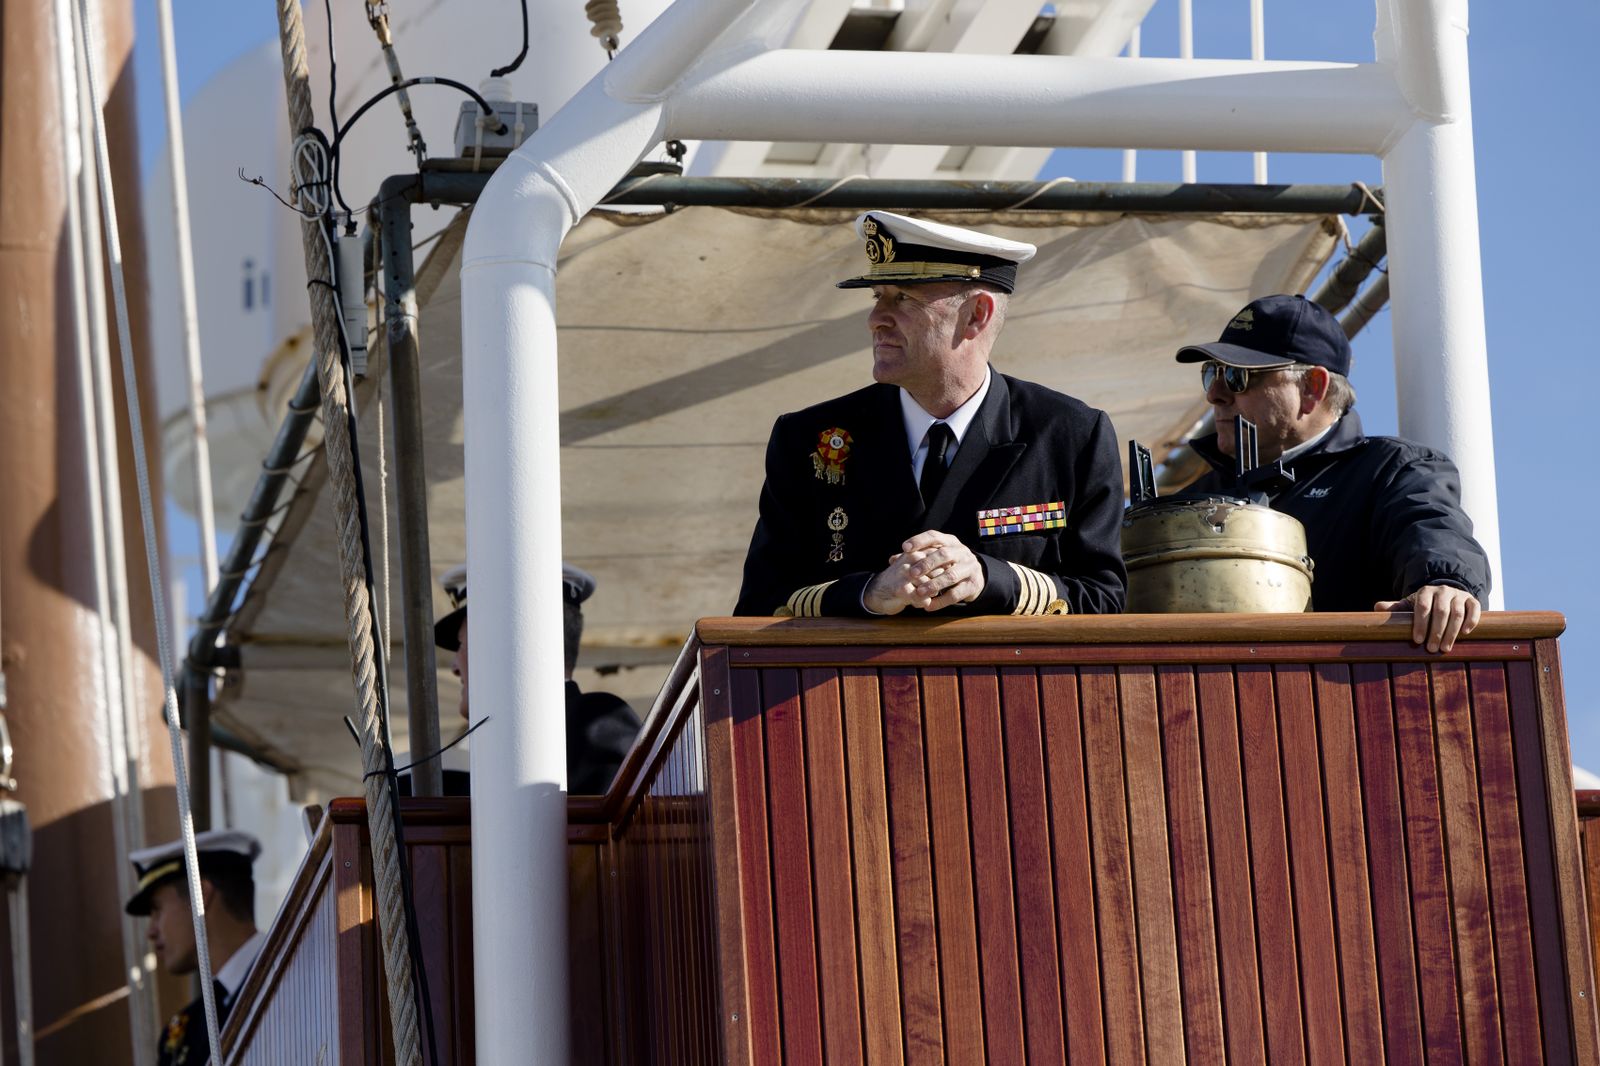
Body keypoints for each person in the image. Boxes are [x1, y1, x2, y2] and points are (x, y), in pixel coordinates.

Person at [735, 211, 1126, 617]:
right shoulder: (807, 438)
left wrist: (989, 579)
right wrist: (868, 593)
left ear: (976, 314)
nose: (875, 320)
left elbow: (1104, 601)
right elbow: (758, 609)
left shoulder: (1070, 435)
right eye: (877, 297)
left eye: (903, 297)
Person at [1174, 292, 1491, 651]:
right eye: (1212, 374)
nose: (1215, 394)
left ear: (1312, 387)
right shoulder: (1190, 502)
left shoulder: (1391, 471)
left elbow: (1429, 527)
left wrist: (1444, 583)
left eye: (1237, 376)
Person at [434, 562, 641, 793]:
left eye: (462, 645)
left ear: (511, 642)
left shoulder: (595, 720)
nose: (454, 667)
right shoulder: (498, 753)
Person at [125, 829, 265, 1066]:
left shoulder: (302, 978)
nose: (151, 930)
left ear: (200, 896)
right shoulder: (183, 1033)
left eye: (157, 909)